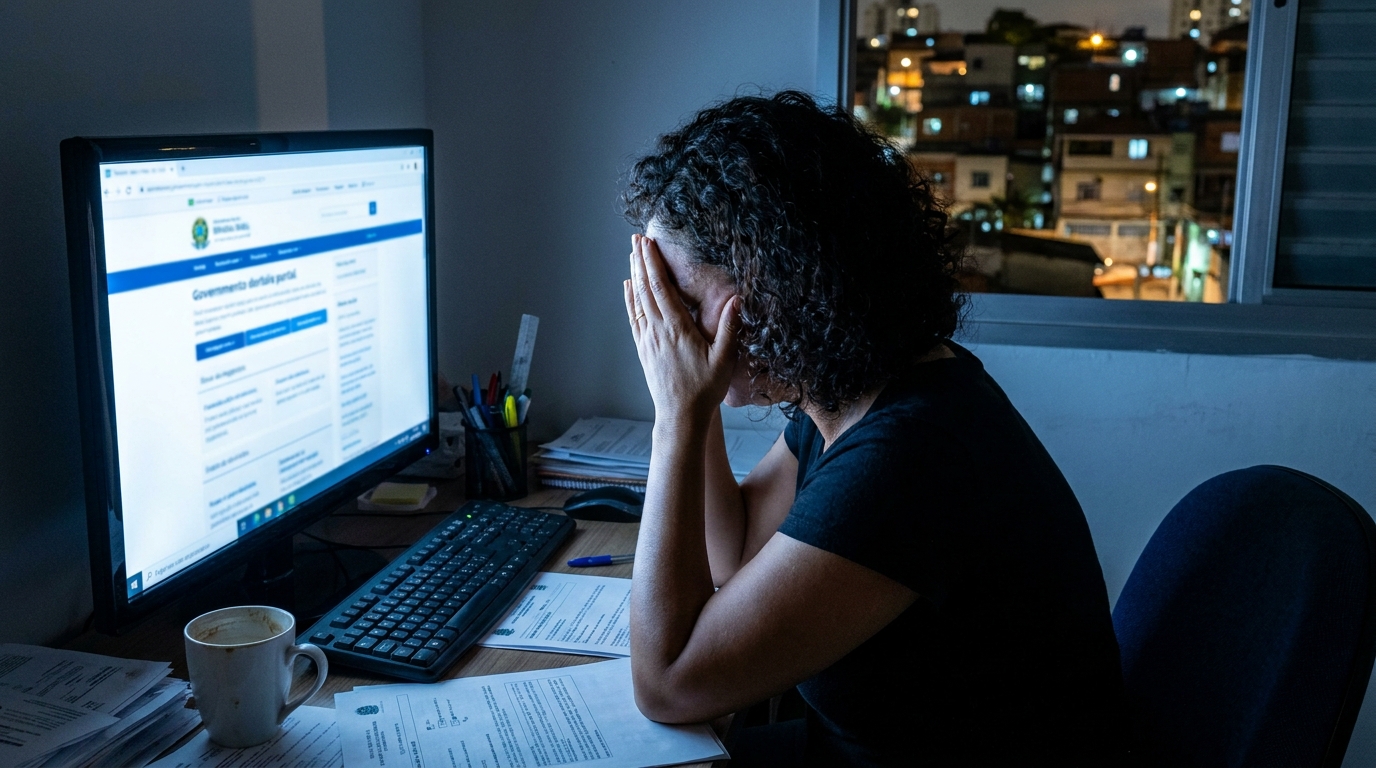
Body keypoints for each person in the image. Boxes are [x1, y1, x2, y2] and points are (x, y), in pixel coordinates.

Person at [619, 91, 1126, 767]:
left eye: (682, 302)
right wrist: (696, 400)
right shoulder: (856, 391)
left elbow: (671, 685)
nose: (670, 329)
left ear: (778, 281)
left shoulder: (913, 456)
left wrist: (675, 415)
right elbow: (738, 552)